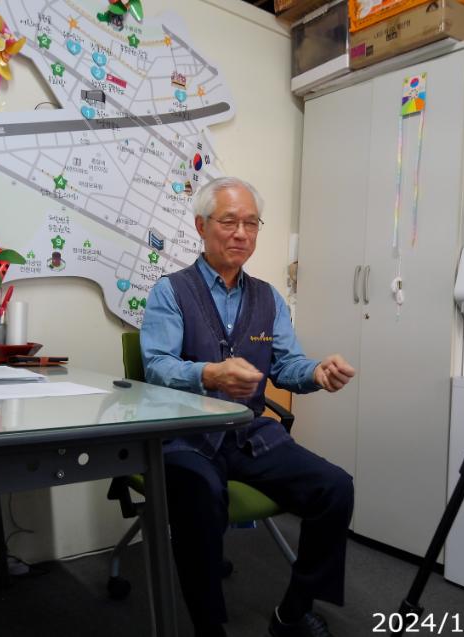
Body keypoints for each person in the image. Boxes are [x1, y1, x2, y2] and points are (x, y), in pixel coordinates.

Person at [140, 176, 356, 637]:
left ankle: (292, 612)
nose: (241, 233)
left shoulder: (268, 298)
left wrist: (316, 372)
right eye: (229, 221)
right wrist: (208, 374)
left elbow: (287, 365)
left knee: (335, 487)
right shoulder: (170, 292)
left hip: (247, 432)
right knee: (200, 495)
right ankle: (209, 627)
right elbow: (156, 366)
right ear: (201, 226)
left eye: (251, 223)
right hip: (186, 433)